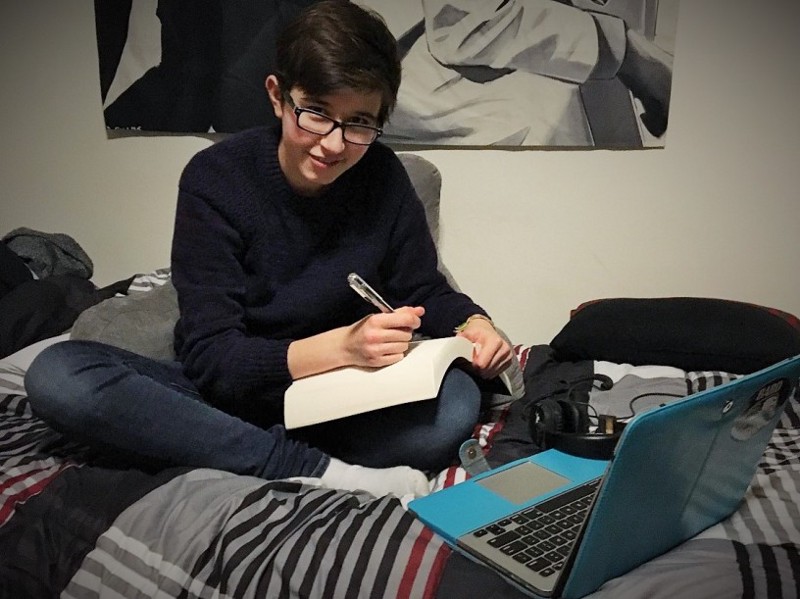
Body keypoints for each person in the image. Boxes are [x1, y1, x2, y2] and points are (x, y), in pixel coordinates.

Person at [26, 0, 512, 497]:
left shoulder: (384, 177)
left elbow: (423, 288)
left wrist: (473, 324)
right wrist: (342, 346)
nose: (333, 145)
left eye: (359, 123)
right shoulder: (216, 179)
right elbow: (213, 358)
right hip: (233, 391)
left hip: (342, 395)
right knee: (59, 375)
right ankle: (311, 466)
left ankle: (228, 448)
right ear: (278, 97)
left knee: (456, 402)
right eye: (316, 113)